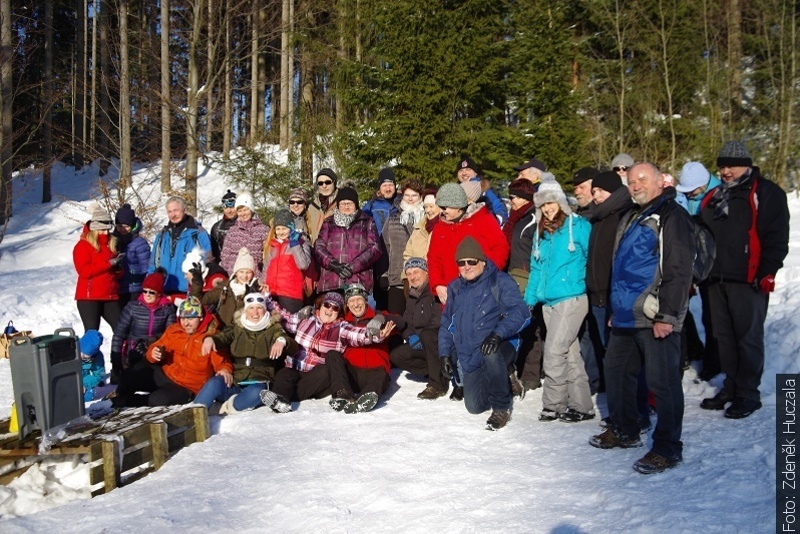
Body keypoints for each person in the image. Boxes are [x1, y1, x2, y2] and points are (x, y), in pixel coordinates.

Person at [590, 162, 695, 475]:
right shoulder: (632, 215)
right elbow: (621, 270)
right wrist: (614, 311)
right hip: (625, 315)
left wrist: (667, 315)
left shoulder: (670, 215)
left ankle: (667, 448)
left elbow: (678, 269)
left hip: (655, 316)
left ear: (660, 181)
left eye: (642, 180)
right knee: (617, 372)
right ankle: (626, 430)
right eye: (632, 181)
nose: (636, 185)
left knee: (663, 384)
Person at [699, 141, 790, 419]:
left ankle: (748, 393)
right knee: (723, 337)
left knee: (747, 338)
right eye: (722, 166)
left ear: (747, 164)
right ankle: (731, 386)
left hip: (748, 279)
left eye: (731, 165)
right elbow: (700, 231)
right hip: (716, 278)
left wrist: (767, 271)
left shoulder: (766, 192)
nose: (726, 171)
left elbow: (776, 236)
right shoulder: (714, 195)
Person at [439, 237, 529, 430]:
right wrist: (444, 353)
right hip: (471, 353)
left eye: (472, 261)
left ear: (482, 261)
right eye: (461, 263)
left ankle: (501, 408)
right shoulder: (455, 288)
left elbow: (520, 312)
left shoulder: (499, 281)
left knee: (491, 353)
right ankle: (504, 375)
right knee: (474, 406)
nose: (467, 266)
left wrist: (498, 334)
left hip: (500, 344)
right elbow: (447, 322)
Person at [524, 175, 595, 423]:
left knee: (553, 352)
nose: (547, 208)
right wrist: (529, 299)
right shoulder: (541, 233)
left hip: (572, 298)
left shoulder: (579, 226)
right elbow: (536, 268)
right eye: (543, 204)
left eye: (551, 202)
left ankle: (553, 405)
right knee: (570, 354)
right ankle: (582, 406)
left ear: (561, 202)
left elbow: (593, 260)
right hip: (548, 303)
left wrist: (588, 286)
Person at [259, 292, 392, 413]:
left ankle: (284, 398)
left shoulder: (341, 328)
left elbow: (358, 335)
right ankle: (280, 398)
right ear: (320, 306)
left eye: (335, 308)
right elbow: (283, 316)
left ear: (338, 312)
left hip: (317, 373)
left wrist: (377, 335)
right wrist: (265, 297)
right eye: (327, 305)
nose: (329, 310)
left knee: (325, 371)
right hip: (295, 367)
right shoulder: (305, 320)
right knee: (284, 373)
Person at [111, 297, 232, 407]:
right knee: (130, 375)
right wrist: (154, 352)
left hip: (187, 387)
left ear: (200, 318)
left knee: (157, 399)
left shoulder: (209, 337)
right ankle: (116, 397)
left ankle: (127, 402)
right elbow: (156, 346)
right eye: (183, 318)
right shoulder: (174, 330)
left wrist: (225, 369)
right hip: (166, 374)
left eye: (191, 318)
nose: (186, 323)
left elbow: (222, 360)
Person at [194, 292, 298, 413]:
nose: (255, 312)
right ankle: (193, 414)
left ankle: (230, 407)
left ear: (265, 310)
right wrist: (210, 339)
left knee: (257, 392)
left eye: (259, 308)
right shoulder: (237, 326)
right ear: (245, 310)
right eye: (251, 308)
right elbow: (223, 336)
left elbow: (290, 343)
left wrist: (282, 341)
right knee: (215, 382)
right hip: (236, 381)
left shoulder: (274, 327)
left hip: (260, 381)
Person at [586, 171, 635, 398]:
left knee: (621, 353)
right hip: (597, 295)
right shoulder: (597, 217)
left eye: (600, 191)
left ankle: (631, 402)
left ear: (613, 191)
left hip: (616, 295)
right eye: (593, 191)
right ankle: (614, 396)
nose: (595, 196)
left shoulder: (624, 215)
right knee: (605, 348)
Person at [676, 161, 722, 381]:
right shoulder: (691, 197)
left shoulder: (720, 196)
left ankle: (716, 363)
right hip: (701, 266)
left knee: (715, 319)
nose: (690, 194)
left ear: (703, 183)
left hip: (719, 267)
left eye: (692, 189)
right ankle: (709, 358)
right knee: (706, 315)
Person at [427, 183, 509, 304]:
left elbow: (500, 248)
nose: (442, 211)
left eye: (445, 207)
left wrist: (488, 275)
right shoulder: (440, 228)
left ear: (458, 206)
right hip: (451, 296)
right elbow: (434, 259)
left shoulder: (483, 219)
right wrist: (438, 284)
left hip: (482, 293)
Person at [327, 283, 394, 413]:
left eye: (359, 299)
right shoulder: (343, 323)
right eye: (351, 300)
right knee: (332, 355)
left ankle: (367, 398)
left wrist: (380, 318)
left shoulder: (379, 316)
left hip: (375, 373)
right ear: (347, 304)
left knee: (381, 374)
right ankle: (343, 393)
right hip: (352, 374)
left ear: (365, 300)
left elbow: (400, 322)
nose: (356, 304)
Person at [503, 178, 543, 393]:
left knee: (531, 329)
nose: (511, 201)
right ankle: (516, 369)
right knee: (517, 326)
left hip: (528, 279)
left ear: (526, 198)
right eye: (509, 197)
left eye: (514, 197)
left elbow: (537, 252)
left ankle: (531, 376)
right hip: (512, 279)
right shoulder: (514, 219)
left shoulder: (533, 219)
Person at [389, 258, 444, 399]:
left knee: (428, 334)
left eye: (416, 272)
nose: (412, 277)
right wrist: (409, 336)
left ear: (426, 272)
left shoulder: (435, 291)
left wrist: (420, 336)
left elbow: (438, 320)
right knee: (396, 355)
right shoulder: (412, 296)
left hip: (438, 343)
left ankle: (437, 384)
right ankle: (438, 372)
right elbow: (406, 323)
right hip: (421, 344)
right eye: (409, 274)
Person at [110, 270, 176, 383]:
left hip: (156, 350)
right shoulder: (133, 307)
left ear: (159, 293)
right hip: (135, 351)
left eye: (152, 292)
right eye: (145, 291)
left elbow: (170, 334)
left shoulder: (167, 308)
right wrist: (116, 362)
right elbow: (119, 334)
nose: (147, 295)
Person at [314, 186, 382, 294]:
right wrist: (333, 265)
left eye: (349, 203)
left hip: (358, 282)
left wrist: (352, 267)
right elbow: (319, 247)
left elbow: (375, 249)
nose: (346, 206)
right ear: (338, 205)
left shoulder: (367, 222)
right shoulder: (328, 223)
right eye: (343, 203)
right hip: (332, 282)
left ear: (356, 204)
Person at [73, 204, 123, 332]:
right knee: (92, 333)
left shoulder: (111, 244)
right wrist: (108, 264)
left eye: (107, 230)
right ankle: (88, 353)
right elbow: (84, 271)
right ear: (94, 230)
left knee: (121, 329)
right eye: (101, 230)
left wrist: (118, 269)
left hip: (110, 295)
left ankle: (119, 352)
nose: (105, 233)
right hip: (89, 297)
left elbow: (113, 275)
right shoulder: (83, 246)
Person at [149, 196, 212, 294]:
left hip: (188, 290)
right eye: (169, 212)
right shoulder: (162, 235)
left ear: (184, 210)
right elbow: (153, 263)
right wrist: (149, 285)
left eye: (176, 210)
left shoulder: (198, 233)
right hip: (164, 289)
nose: (173, 215)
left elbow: (208, 260)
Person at [382, 179, 425, 314]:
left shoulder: (426, 219)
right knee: (396, 322)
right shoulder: (393, 218)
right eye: (407, 195)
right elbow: (384, 248)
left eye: (414, 195)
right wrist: (384, 274)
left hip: (421, 279)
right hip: (397, 279)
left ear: (420, 197)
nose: (410, 199)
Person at [191, 247, 260, 327]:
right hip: (223, 330)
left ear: (253, 274)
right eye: (241, 272)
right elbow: (200, 300)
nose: (244, 276)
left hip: (243, 332)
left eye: (248, 272)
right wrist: (197, 281)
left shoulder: (256, 289)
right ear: (236, 273)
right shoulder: (225, 287)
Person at [263, 208, 312, 313]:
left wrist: (294, 243)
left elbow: (303, 264)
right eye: (278, 229)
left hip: (290, 294)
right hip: (272, 293)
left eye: (284, 228)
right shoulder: (273, 245)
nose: (281, 232)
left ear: (291, 227)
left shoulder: (301, 241)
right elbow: (266, 268)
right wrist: (263, 284)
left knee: (289, 325)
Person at [220, 193, 268, 281]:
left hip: (256, 278)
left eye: (245, 210)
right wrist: (232, 272)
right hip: (235, 278)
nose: (243, 213)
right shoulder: (233, 231)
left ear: (251, 209)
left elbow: (268, 256)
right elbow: (225, 255)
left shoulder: (263, 230)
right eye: (240, 211)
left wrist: (262, 277)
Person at [113, 203, 150, 306]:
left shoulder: (139, 243)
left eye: (126, 226)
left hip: (134, 288)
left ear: (133, 226)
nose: (123, 229)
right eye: (120, 226)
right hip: (118, 288)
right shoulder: (113, 241)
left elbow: (146, 266)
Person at [455, 156, 508, 224]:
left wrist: (491, 224)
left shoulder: (485, 189)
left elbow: (500, 211)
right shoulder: (455, 191)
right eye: (461, 170)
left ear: (475, 173)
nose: (464, 173)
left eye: (468, 169)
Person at [403, 187, 440, 266]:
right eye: (425, 207)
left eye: (431, 206)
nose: (428, 210)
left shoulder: (445, 227)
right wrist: (408, 274)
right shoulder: (418, 229)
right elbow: (407, 255)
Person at [307, 168, 339, 243]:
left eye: (327, 182)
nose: (324, 186)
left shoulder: (345, 202)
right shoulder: (312, 207)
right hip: (317, 251)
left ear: (334, 182)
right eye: (320, 183)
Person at [210, 190, 238, 261]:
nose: (229, 211)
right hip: (223, 267)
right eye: (226, 208)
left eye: (232, 207)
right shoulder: (217, 228)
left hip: (244, 269)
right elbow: (214, 253)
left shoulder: (247, 225)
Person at [79, 330, 106, 402]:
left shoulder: (97, 357)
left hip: (85, 381)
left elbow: (99, 375)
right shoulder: (71, 348)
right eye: (81, 353)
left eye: (86, 357)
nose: (82, 357)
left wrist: (84, 384)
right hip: (69, 381)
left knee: (87, 397)